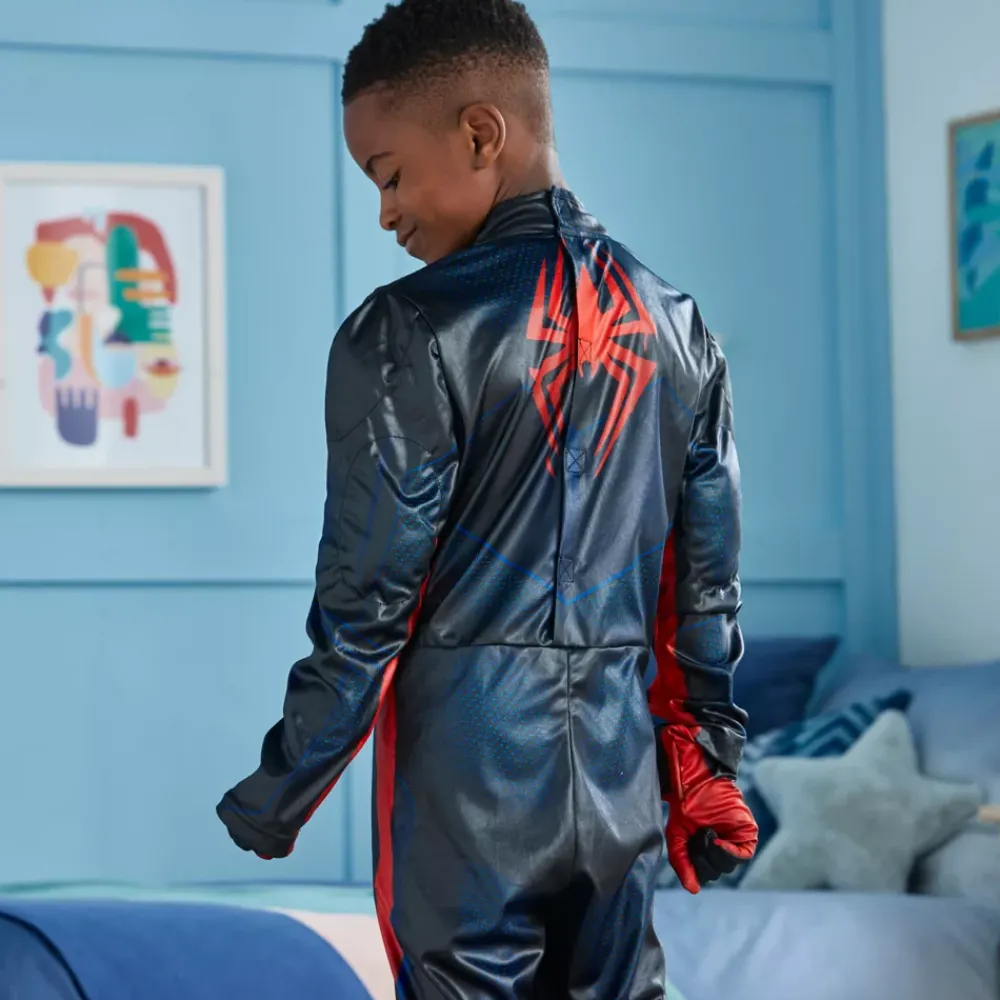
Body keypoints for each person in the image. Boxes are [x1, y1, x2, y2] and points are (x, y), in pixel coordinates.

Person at [216, 0, 759, 995]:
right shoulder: (681, 328)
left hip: (471, 782)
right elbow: (706, 591)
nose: (385, 213)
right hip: (618, 777)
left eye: (388, 175)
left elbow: (368, 598)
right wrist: (708, 771)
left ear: (479, 133)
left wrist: (281, 787)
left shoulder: (406, 328)